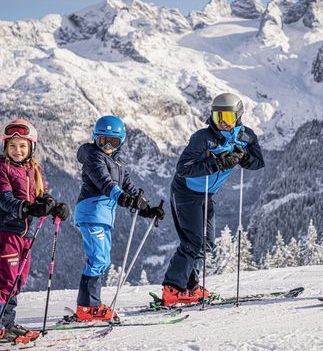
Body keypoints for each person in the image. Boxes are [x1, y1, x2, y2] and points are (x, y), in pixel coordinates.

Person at [0, 119, 69, 349]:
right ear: (5, 147)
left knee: (17, 282)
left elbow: (42, 195)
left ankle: (5, 324)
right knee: (6, 283)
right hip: (7, 233)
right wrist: (28, 208)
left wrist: (53, 206)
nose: (17, 150)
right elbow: (4, 199)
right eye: (12, 146)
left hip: (26, 236)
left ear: (31, 147)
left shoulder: (34, 169)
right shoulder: (1, 168)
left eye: (22, 145)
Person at [161, 93, 265, 306]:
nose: (223, 123)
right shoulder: (203, 138)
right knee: (193, 241)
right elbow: (183, 168)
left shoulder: (246, 137)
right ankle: (172, 288)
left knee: (205, 243)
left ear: (238, 116)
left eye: (227, 117)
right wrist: (216, 164)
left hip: (207, 194)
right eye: (218, 117)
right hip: (185, 191)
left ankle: (190, 287)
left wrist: (243, 157)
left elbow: (258, 163)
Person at [73, 115, 165, 322]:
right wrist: (122, 198)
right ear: (95, 138)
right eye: (102, 140)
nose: (106, 145)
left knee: (102, 260)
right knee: (97, 260)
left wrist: (147, 209)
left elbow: (131, 191)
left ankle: (90, 305)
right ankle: (87, 307)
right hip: (92, 212)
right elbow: (105, 184)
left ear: (120, 142)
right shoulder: (94, 158)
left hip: (102, 215)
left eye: (112, 141)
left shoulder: (117, 164)